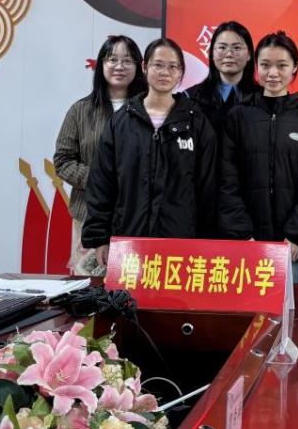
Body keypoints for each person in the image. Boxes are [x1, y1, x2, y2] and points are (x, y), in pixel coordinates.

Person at [81, 37, 217, 268]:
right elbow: (102, 184)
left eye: (173, 66)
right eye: (158, 65)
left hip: (181, 242)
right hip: (129, 241)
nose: (165, 72)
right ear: (145, 67)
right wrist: (100, 238)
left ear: (181, 72)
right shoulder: (121, 122)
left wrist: (205, 242)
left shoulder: (197, 123)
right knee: (129, 293)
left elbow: (207, 188)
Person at [219, 31, 298, 283]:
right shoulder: (238, 117)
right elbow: (226, 180)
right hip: (247, 244)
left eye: (282, 65)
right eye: (265, 65)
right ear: (256, 67)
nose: (273, 73)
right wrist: (242, 234)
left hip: (293, 248)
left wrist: (297, 235)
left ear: (295, 67)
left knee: (291, 306)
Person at [53, 35, 146, 275]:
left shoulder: (147, 111)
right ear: (101, 64)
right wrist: (99, 180)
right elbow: (62, 161)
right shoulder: (81, 110)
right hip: (90, 216)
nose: (119, 66)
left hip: (137, 218)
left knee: (133, 285)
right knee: (89, 286)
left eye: (127, 60)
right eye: (112, 59)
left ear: (139, 66)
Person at [186, 20, 259, 139]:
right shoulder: (192, 97)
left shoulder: (262, 98)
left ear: (249, 54)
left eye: (237, 48)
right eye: (222, 47)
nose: (229, 54)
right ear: (212, 53)